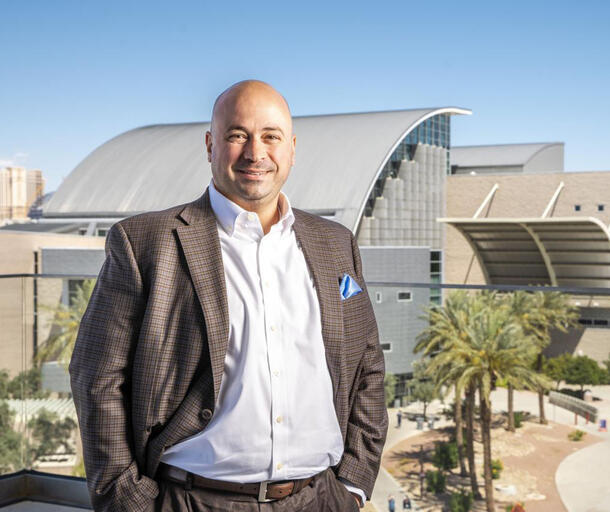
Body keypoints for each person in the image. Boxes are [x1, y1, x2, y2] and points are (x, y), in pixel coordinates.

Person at [70, 80, 388, 511]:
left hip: (322, 498)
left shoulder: (335, 244)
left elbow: (367, 362)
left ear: (291, 147)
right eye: (237, 135)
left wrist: (354, 481)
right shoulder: (145, 242)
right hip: (195, 499)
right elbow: (97, 378)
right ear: (210, 145)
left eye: (270, 137)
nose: (255, 153)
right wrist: (128, 500)